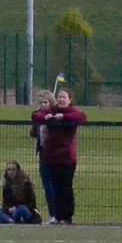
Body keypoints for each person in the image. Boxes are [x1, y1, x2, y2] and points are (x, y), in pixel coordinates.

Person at [31, 88, 86, 224]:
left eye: (64, 97)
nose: (61, 99)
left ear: (69, 100)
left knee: (66, 187)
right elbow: (36, 115)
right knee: (55, 188)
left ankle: (66, 217)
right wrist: (45, 117)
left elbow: (81, 117)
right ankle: (56, 215)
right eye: (59, 97)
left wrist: (63, 117)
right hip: (51, 157)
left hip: (67, 158)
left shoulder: (72, 112)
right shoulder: (52, 111)